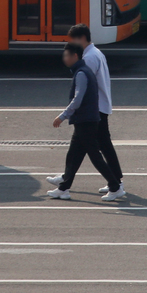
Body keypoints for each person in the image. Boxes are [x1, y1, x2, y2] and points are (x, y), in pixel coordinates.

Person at [59, 23, 126, 200]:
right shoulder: (95, 53)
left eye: (73, 40)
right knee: (98, 144)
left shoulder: (88, 58)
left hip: (94, 108)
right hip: (99, 106)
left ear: (81, 39)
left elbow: (84, 87)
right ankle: (67, 179)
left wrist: (69, 112)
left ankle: (115, 183)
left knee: (95, 147)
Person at [45, 43, 116, 200]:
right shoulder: (83, 71)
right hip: (85, 120)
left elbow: (78, 99)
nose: (64, 58)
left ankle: (115, 185)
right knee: (74, 156)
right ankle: (64, 188)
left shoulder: (81, 74)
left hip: (86, 120)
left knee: (94, 155)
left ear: (75, 56)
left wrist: (63, 116)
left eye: (66, 55)